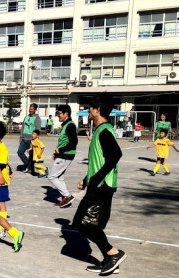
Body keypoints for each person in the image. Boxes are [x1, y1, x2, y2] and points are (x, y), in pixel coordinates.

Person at [72, 93, 126, 275]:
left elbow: (115, 155)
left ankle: (113, 253)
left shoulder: (103, 131)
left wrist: (95, 179)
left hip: (102, 186)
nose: (89, 111)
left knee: (82, 223)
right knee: (94, 224)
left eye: (90, 108)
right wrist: (87, 179)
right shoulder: (100, 130)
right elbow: (99, 160)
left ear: (97, 110)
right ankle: (109, 261)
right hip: (100, 184)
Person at [48, 104, 78, 208]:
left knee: (52, 176)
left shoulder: (70, 125)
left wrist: (60, 150)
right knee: (60, 177)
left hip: (66, 155)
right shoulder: (66, 125)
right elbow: (64, 141)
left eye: (59, 113)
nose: (58, 115)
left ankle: (67, 196)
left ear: (66, 114)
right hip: (62, 154)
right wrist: (56, 153)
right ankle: (65, 200)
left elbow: (74, 142)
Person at [18, 103, 41, 174]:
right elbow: (23, 127)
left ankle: (30, 168)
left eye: (32, 109)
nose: (30, 110)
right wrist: (21, 136)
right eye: (30, 109)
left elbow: (38, 130)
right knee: (20, 152)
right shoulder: (26, 117)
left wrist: (35, 139)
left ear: (35, 110)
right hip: (24, 138)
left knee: (31, 155)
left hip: (31, 140)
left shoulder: (37, 118)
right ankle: (28, 165)